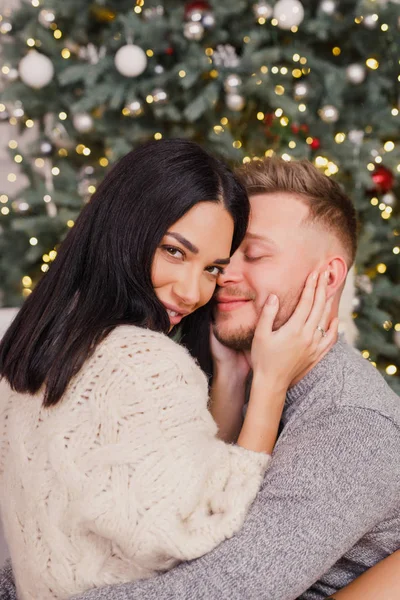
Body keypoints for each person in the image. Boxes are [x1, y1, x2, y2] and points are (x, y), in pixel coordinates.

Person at [0, 140, 334, 600]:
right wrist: (271, 384)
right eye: (175, 251)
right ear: (126, 227)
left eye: (213, 268)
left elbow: (153, 478)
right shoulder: (140, 360)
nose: (192, 291)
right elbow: (200, 527)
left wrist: (229, 377)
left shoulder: (36, 341)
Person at [56, 156, 397, 600]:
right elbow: (132, 529)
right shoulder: (216, 367)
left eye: (254, 254)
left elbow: (223, 588)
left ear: (328, 277)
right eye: (223, 259)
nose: (222, 277)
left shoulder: (353, 425)